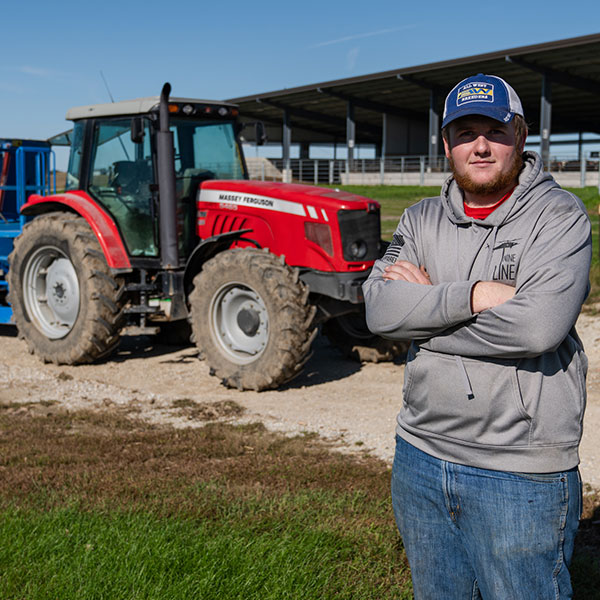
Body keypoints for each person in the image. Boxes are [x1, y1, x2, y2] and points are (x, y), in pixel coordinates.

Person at [363, 74, 591, 599]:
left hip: (518, 472)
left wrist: (422, 316)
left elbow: (537, 327)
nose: (481, 145)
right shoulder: (420, 220)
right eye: (465, 132)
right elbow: (378, 310)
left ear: (522, 135)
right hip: (419, 456)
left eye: (495, 130)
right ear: (446, 144)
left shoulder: (558, 218)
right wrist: (471, 295)